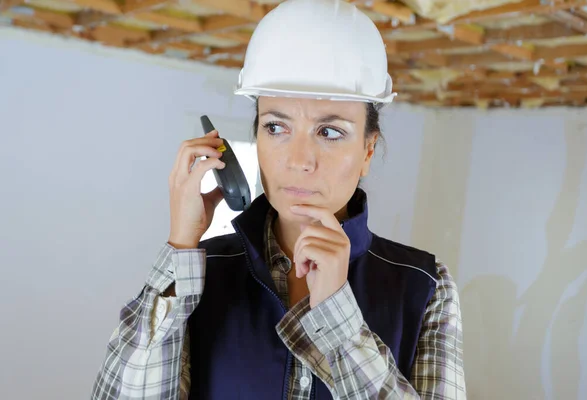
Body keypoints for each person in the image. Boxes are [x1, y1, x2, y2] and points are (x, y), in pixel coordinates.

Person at [91, 0, 466, 399]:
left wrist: (338, 316)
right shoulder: (200, 273)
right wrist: (181, 246)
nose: (299, 160)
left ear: (367, 151)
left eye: (330, 132)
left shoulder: (424, 285)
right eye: (276, 126)